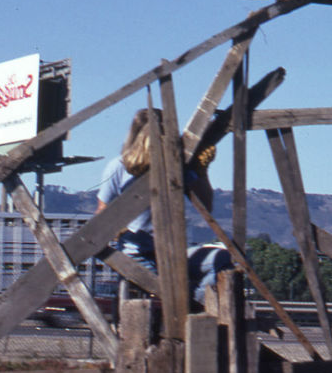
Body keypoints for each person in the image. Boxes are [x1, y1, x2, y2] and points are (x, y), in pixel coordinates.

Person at [96, 109, 232, 304]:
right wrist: (117, 229)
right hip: (136, 254)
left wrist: (201, 170)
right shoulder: (119, 167)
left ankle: (198, 300)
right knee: (178, 298)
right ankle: (196, 302)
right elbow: (102, 212)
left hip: (172, 252)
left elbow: (205, 204)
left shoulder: (176, 167)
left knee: (221, 259)